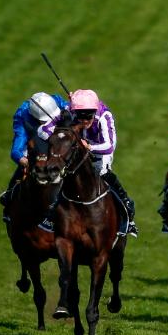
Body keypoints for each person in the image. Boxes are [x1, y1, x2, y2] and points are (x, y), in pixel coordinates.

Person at [37, 89, 138, 237]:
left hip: (99, 152)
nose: (84, 121)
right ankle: (53, 212)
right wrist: (62, 135)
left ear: (95, 110)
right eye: (80, 116)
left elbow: (109, 146)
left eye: (88, 116)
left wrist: (89, 147)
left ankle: (126, 208)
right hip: (77, 150)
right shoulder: (69, 111)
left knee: (101, 171)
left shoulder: (105, 116)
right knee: (66, 173)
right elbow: (43, 130)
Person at [1, 92, 69, 210]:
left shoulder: (55, 101)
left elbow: (71, 109)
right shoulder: (22, 117)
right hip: (38, 150)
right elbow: (16, 151)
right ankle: (10, 197)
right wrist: (27, 162)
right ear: (36, 118)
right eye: (46, 120)